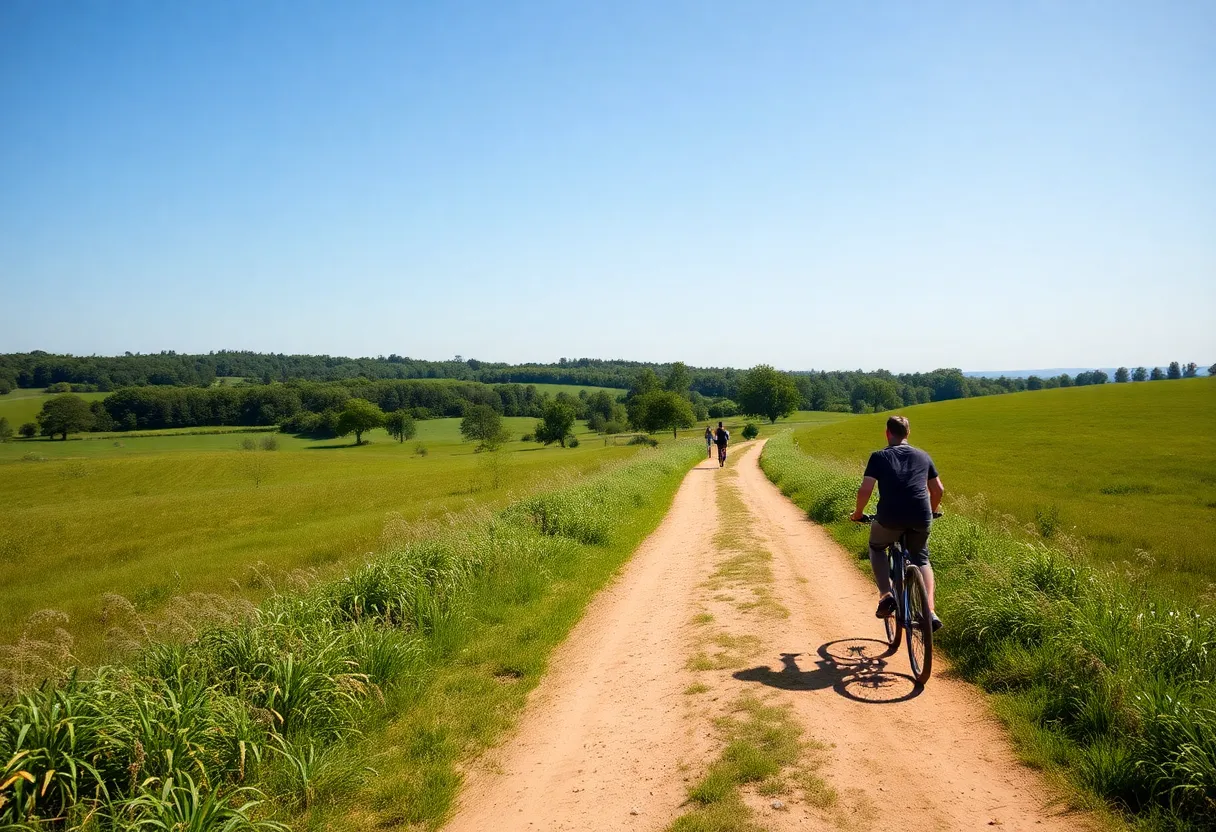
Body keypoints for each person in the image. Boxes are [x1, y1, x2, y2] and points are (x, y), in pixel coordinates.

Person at [849, 415, 945, 631]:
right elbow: (938, 490)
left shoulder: (878, 457)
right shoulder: (923, 456)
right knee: (921, 558)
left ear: (887, 433)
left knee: (877, 546)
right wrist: (931, 511)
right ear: (908, 434)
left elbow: (866, 489)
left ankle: (886, 595)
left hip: (889, 517)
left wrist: (858, 513)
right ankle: (929, 611)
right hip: (921, 516)